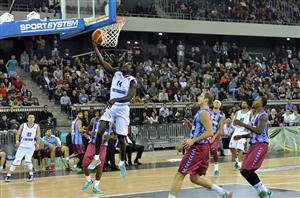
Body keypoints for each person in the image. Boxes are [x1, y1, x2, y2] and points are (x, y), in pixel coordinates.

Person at [88, 38, 137, 178]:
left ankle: (122, 162)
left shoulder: (132, 81)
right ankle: (96, 158)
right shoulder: (116, 73)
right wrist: (95, 46)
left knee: (121, 138)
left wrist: (115, 99)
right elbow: (101, 60)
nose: (124, 65)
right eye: (124, 64)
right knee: (100, 131)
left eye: (127, 65)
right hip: (112, 107)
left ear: (131, 70)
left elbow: (129, 97)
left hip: (122, 108)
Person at [168, 93, 232, 198]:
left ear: (206, 100)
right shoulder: (205, 112)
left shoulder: (204, 113)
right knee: (195, 178)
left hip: (198, 148)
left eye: (201, 96)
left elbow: (210, 132)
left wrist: (193, 141)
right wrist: (190, 125)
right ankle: (223, 193)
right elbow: (201, 130)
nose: (198, 97)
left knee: (180, 174)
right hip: (202, 148)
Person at [233, 96, 272, 198]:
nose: (254, 101)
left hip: (261, 145)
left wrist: (243, 124)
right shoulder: (255, 115)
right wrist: (241, 136)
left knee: (247, 169)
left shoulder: (263, 116)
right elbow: (253, 133)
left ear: (262, 103)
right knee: (243, 170)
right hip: (253, 145)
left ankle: (264, 191)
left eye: (257, 100)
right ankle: (263, 191)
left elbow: (259, 131)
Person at [82, 121, 116, 194]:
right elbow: (88, 130)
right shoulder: (94, 120)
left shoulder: (112, 124)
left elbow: (115, 136)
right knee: (84, 164)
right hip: (92, 144)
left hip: (103, 146)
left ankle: (96, 186)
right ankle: (89, 180)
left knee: (100, 167)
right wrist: (91, 133)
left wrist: (108, 137)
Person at [4, 114, 41, 182]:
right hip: (23, 145)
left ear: (34, 119)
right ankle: (8, 176)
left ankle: (31, 175)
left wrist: (38, 144)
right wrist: (17, 141)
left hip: (31, 146)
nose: (31, 118)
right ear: (27, 119)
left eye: (32, 117)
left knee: (28, 160)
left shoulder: (36, 126)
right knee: (16, 160)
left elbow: (38, 136)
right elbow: (18, 134)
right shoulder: (23, 125)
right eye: (30, 117)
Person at [229, 100, 252, 170]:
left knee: (239, 148)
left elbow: (252, 122)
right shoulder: (237, 112)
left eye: (244, 103)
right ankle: (237, 161)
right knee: (231, 147)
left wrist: (248, 129)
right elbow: (234, 122)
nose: (243, 104)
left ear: (247, 105)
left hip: (244, 131)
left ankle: (240, 164)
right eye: (242, 103)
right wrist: (234, 124)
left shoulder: (250, 113)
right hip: (237, 131)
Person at [210, 100, 225, 176]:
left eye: (218, 102)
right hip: (206, 134)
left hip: (216, 134)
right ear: (212, 104)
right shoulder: (208, 112)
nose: (216, 102)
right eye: (215, 102)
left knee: (214, 150)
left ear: (220, 105)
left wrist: (214, 137)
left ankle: (216, 169)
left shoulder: (222, 115)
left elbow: (221, 128)